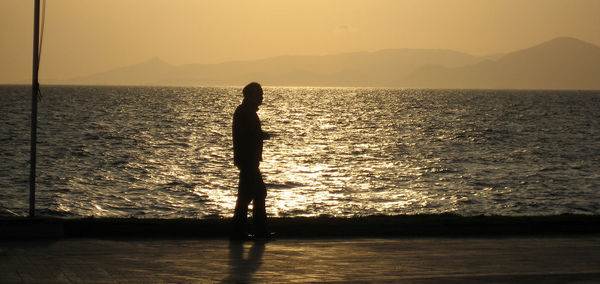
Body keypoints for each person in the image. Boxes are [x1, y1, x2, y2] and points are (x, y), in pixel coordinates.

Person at [231, 82, 271, 240]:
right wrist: (261, 136)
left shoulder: (245, 112)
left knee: (246, 196)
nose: (261, 97)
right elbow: (247, 135)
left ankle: (239, 232)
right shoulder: (245, 112)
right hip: (248, 161)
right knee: (259, 193)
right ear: (249, 95)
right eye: (258, 94)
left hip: (247, 160)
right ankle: (259, 231)